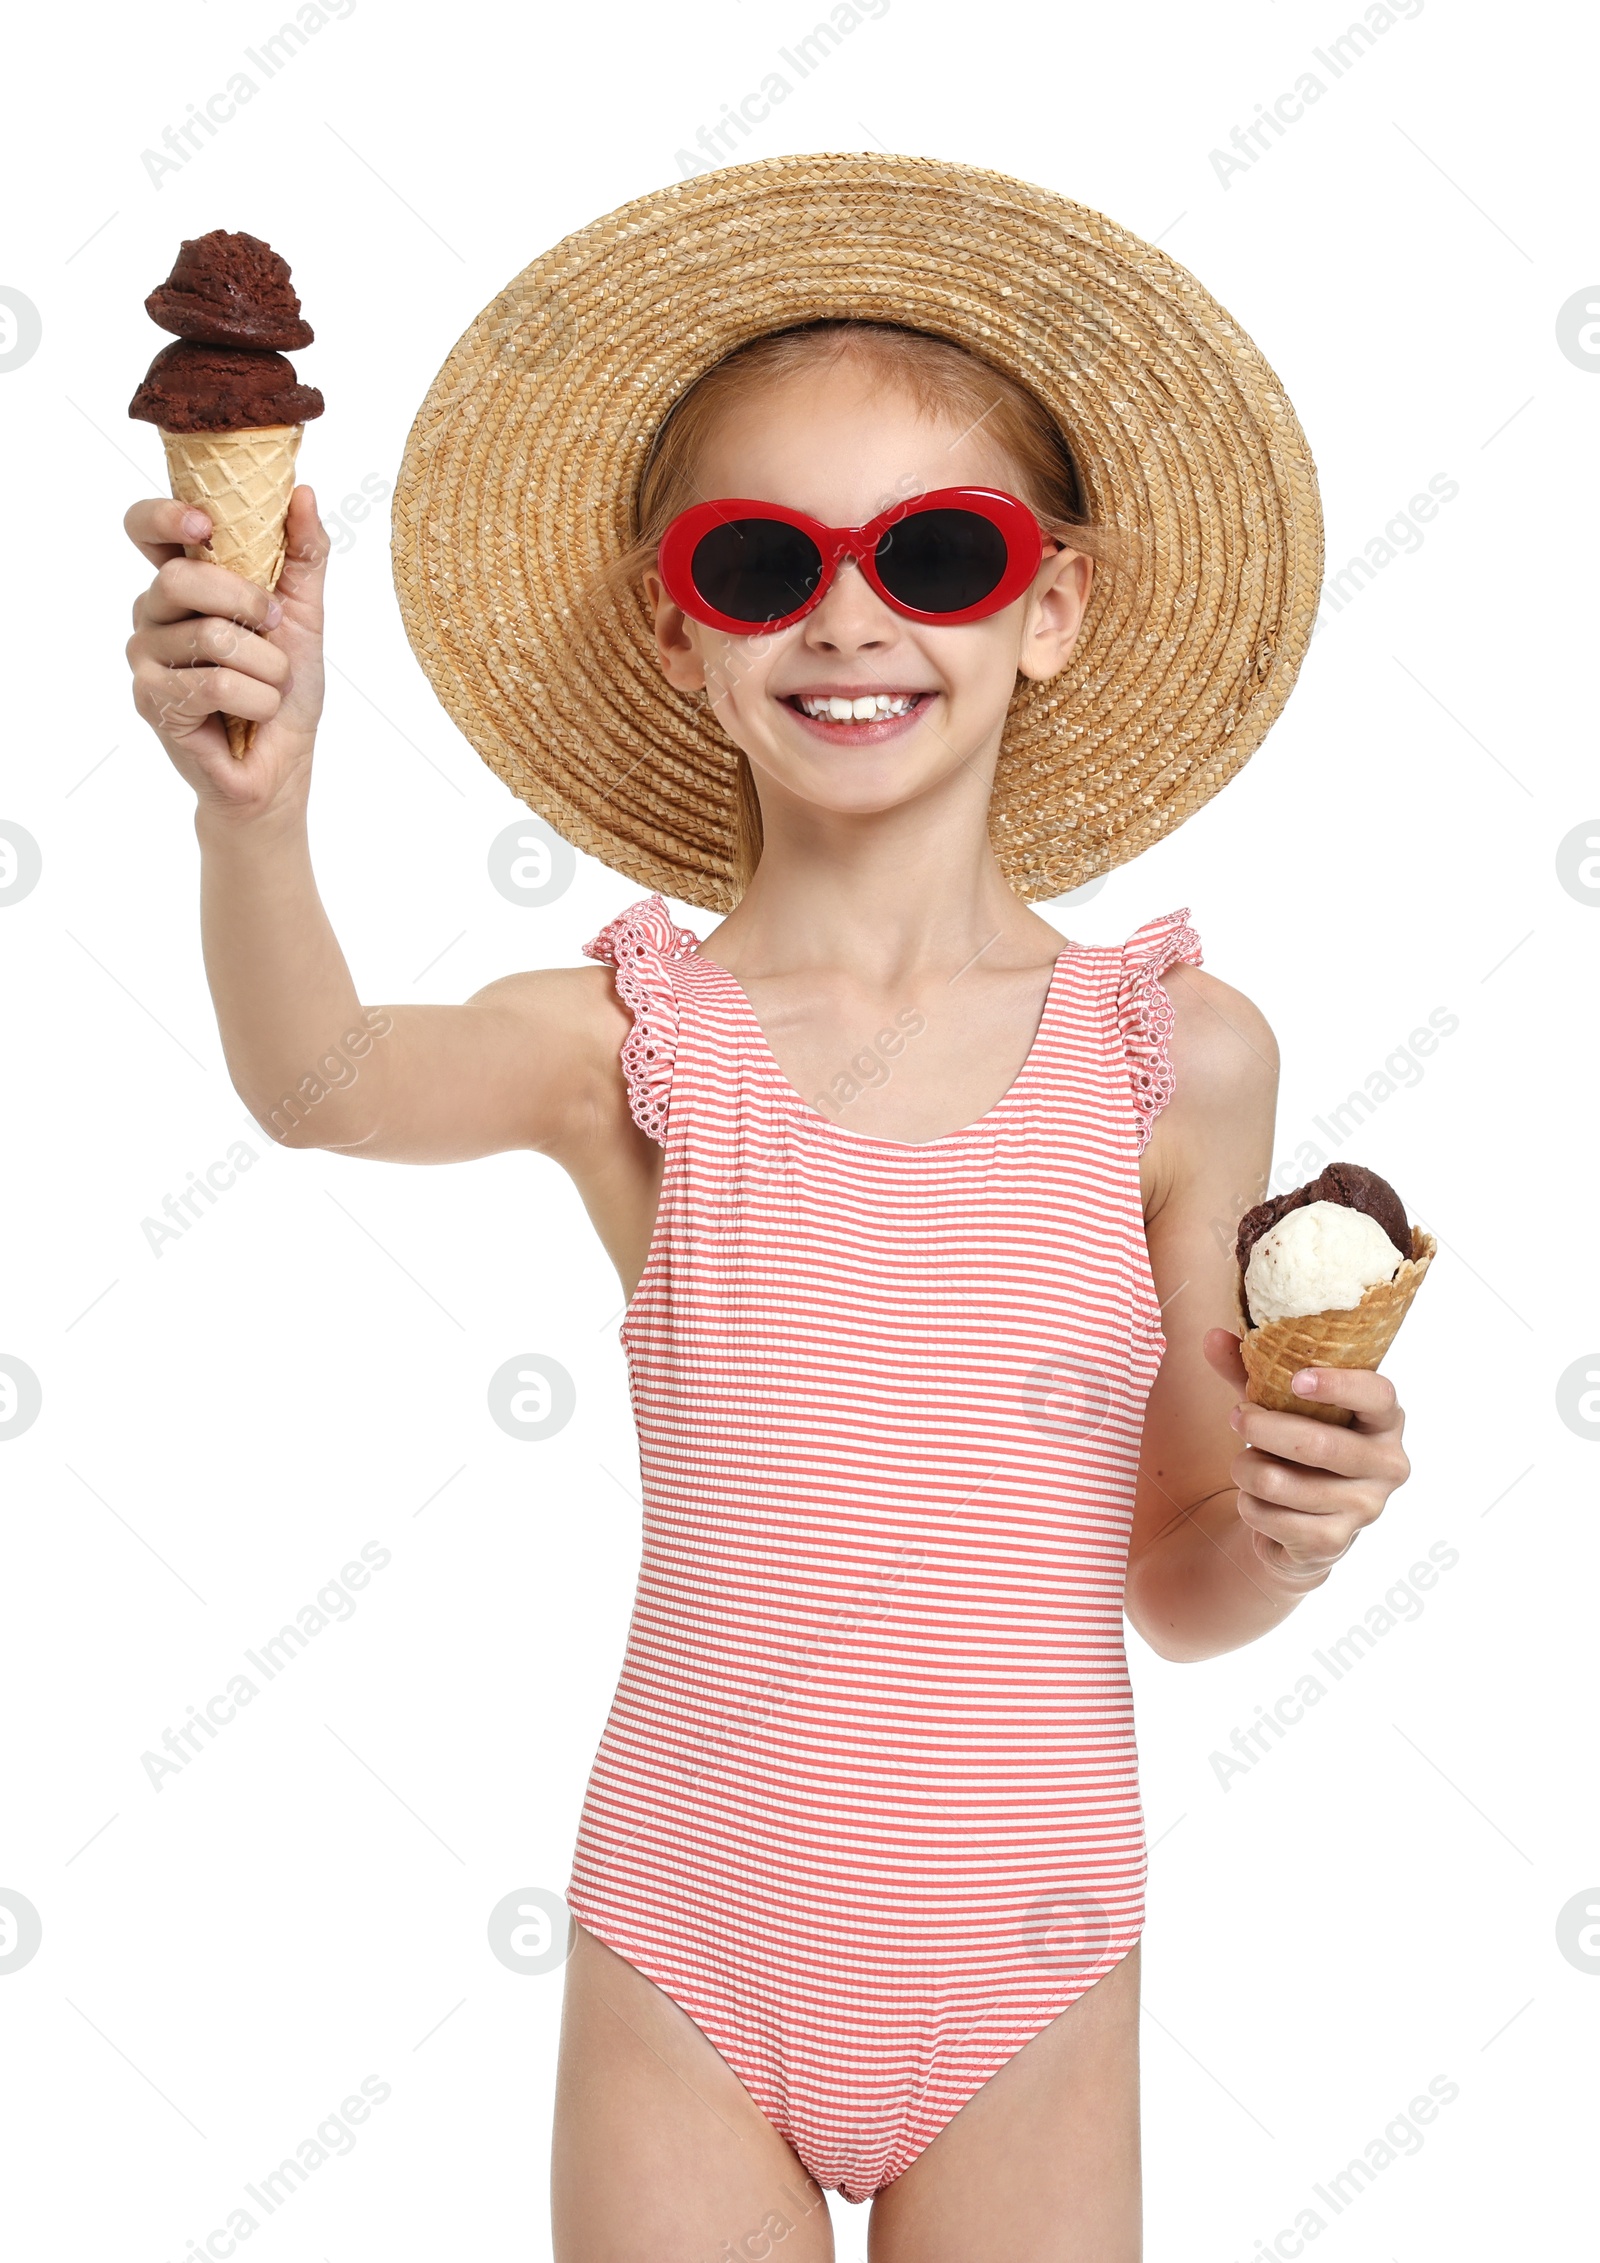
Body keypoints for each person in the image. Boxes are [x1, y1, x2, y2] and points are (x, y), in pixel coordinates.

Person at [123, 157, 1411, 2263]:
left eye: (934, 549)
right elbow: (323, 1080)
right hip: (685, 1945)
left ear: (1048, 605)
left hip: (1032, 1952)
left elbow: (1168, 1580)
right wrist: (254, 819)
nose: (847, 615)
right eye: (755, 559)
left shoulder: (1174, 1055)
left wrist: (1285, 1524)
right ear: (679, 618)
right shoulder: (634, 1038)